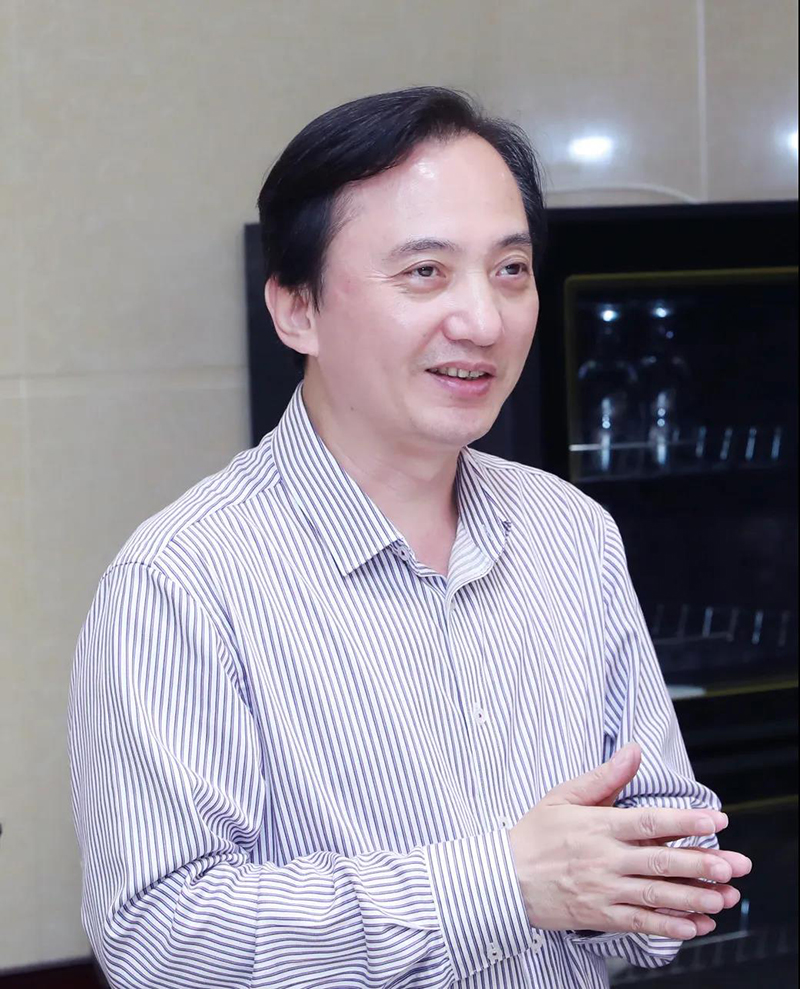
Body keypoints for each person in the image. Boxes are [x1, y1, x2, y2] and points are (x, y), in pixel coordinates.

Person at [68, 87, 751, 989]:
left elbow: (671, 849)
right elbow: (160, 944)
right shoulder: (183, 580)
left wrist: (640, 876)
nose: (484, 320)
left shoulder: (570, 532)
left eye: (511, 269)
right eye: (425, 271)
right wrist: (503, 885)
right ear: (296, 309)